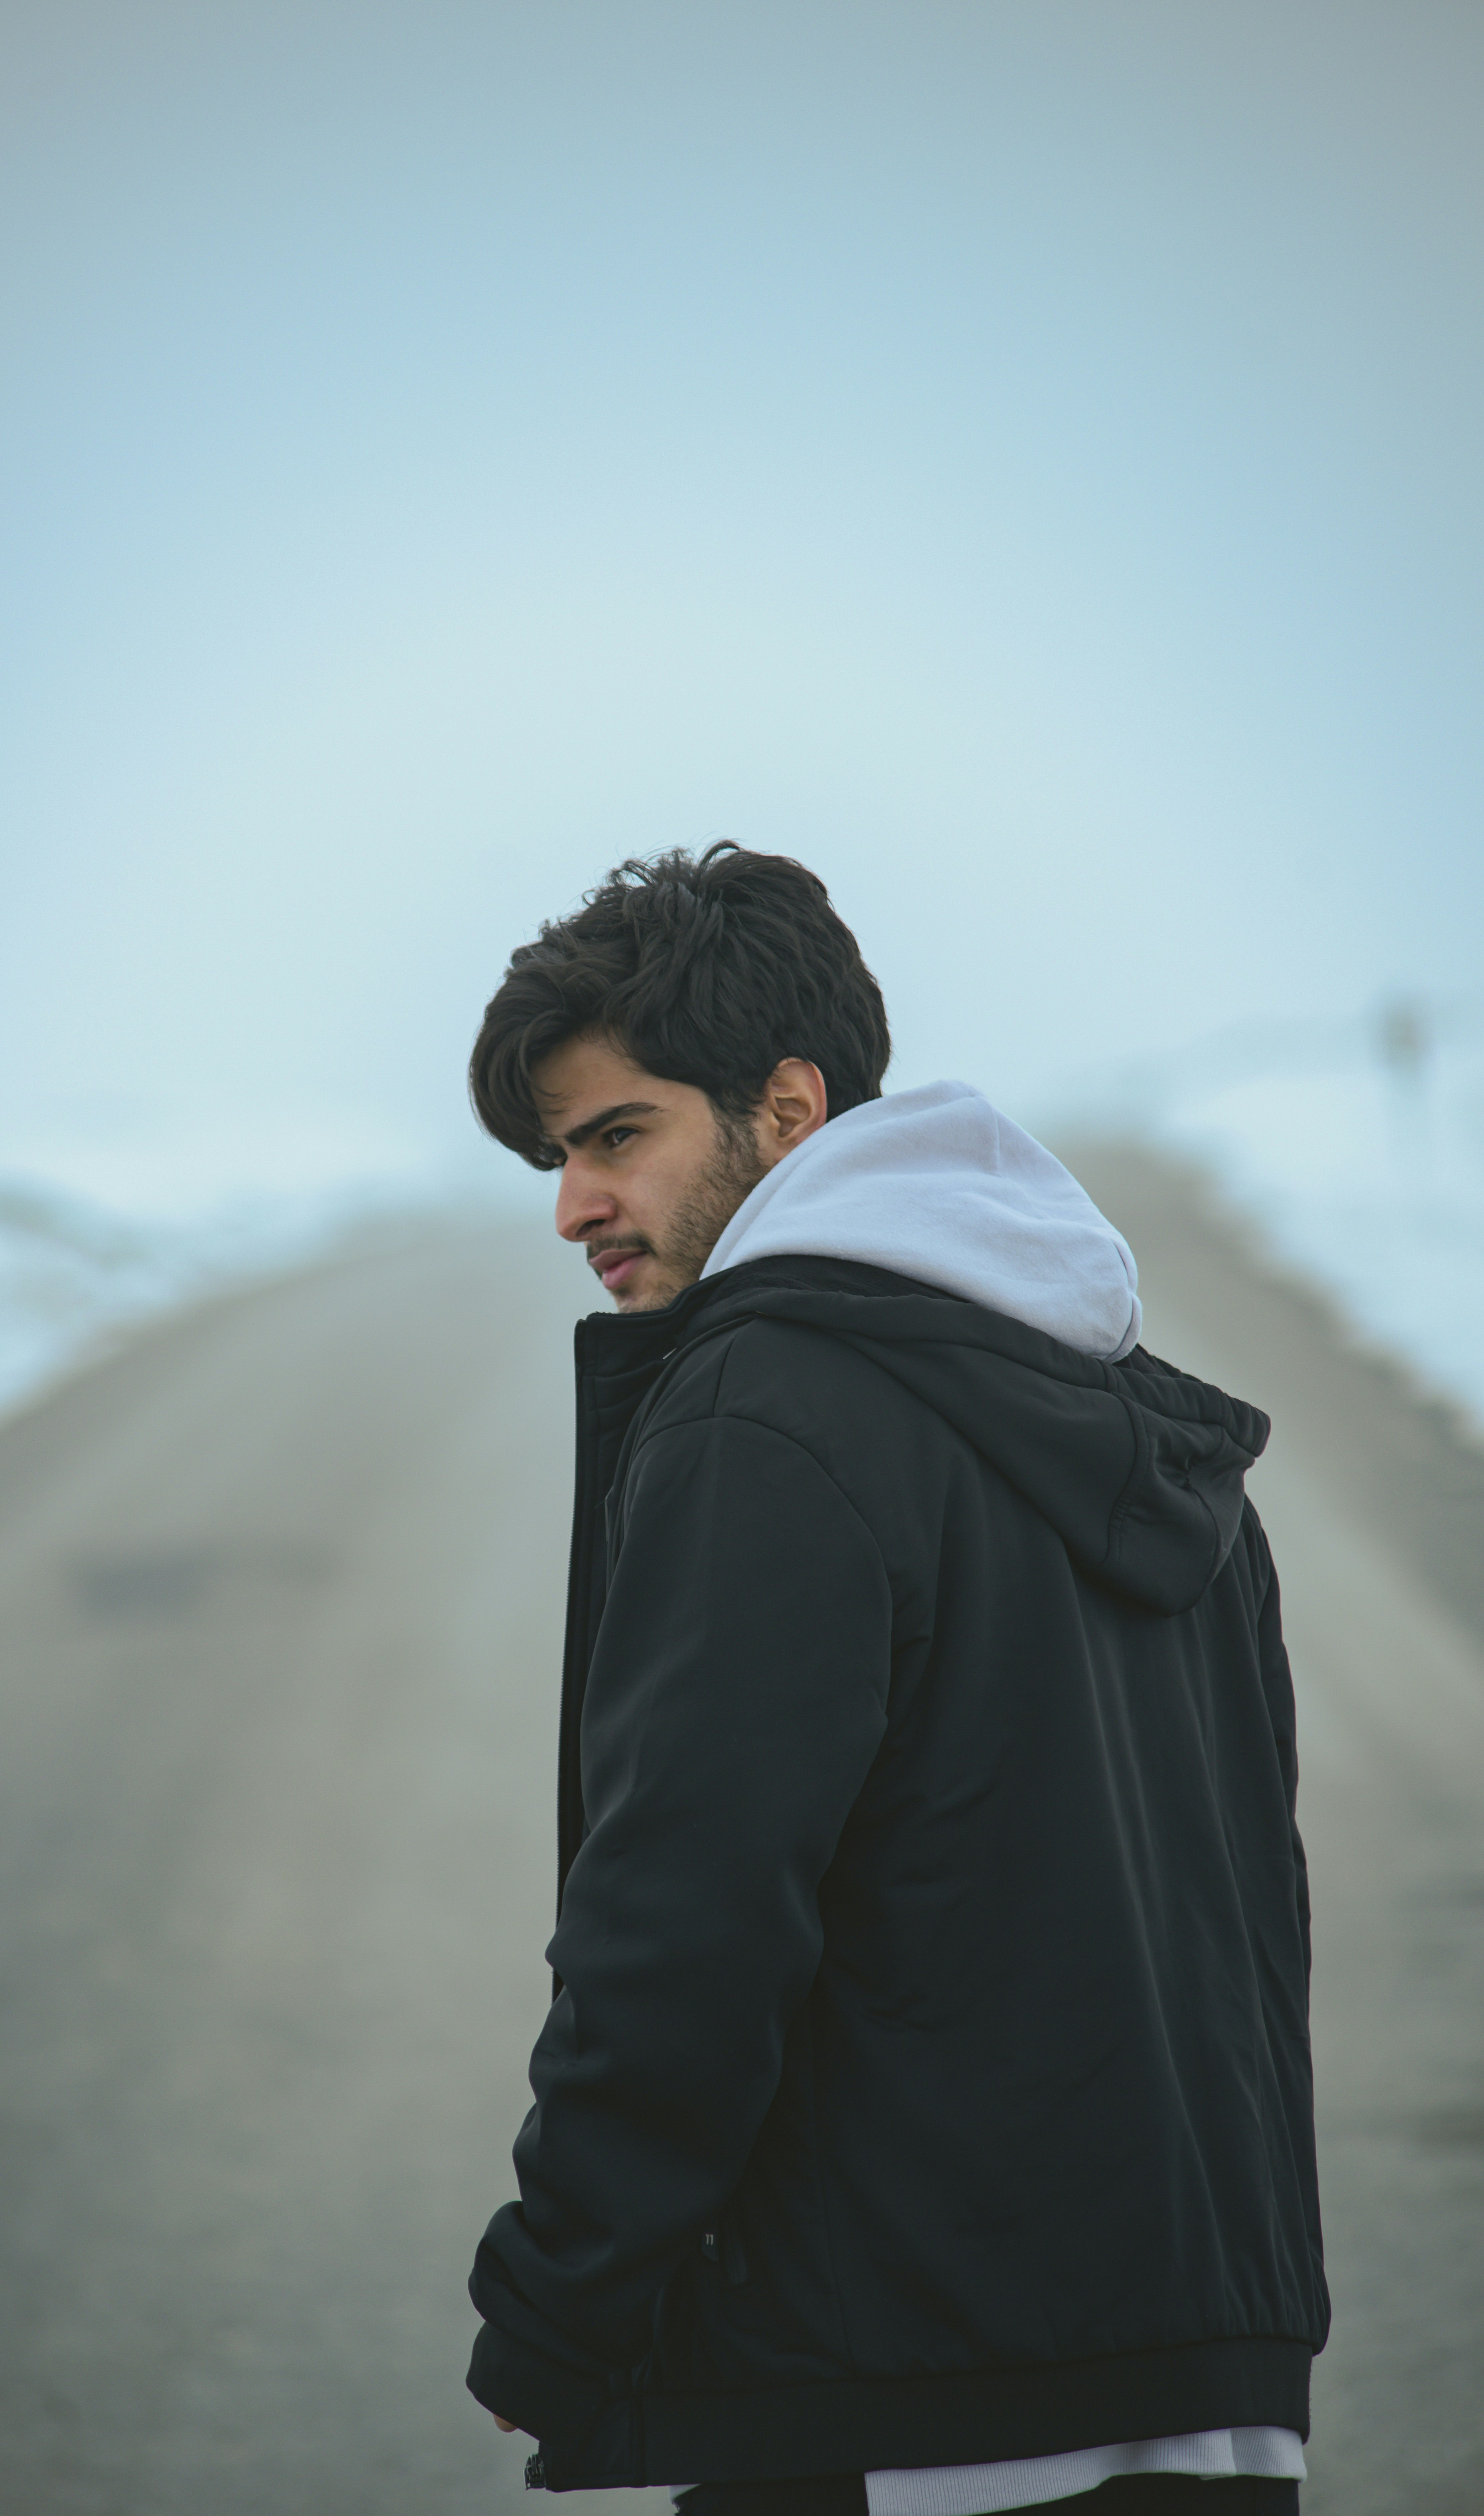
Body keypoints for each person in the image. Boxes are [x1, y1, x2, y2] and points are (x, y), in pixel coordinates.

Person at [463, 844, 1327, 2514]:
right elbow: (1250, 1934)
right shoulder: (1151, 1429)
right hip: (1201, 2383)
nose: (571, 1205)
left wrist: (557, 2297)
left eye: (615, 1135)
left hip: (893, 2390)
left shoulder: (764, 1413)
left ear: (786, 1106)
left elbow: (689, 1913)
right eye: (556, 1157)